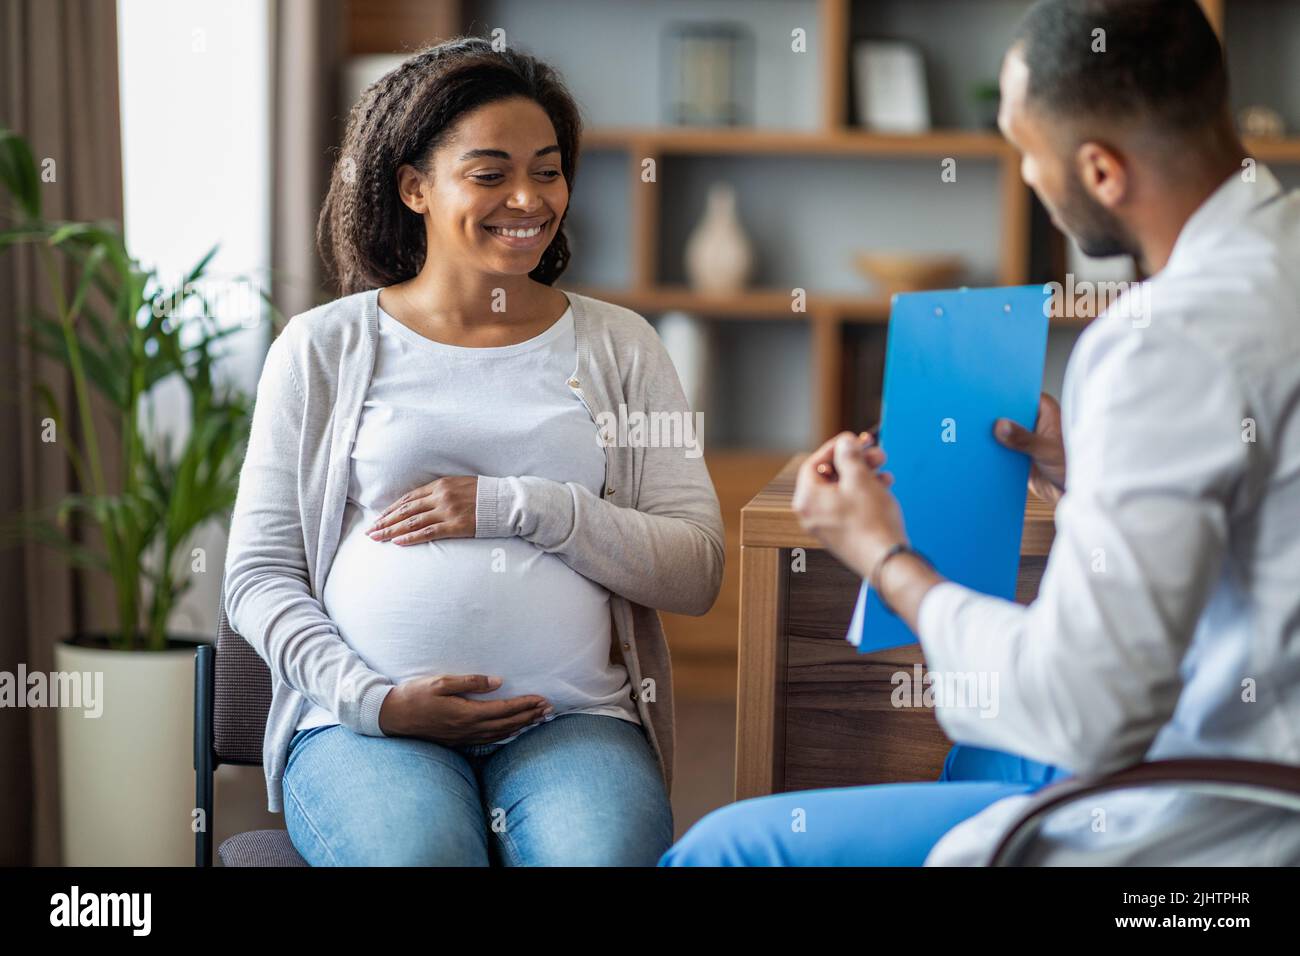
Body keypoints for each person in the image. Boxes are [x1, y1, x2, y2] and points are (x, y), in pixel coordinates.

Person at [662, 0, 1300, 866]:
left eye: (1024, 150)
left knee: (728, 849)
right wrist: (1092, 467)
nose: (1026, 176)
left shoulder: (1164, 341)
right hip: (1253, 737)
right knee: (985, 754)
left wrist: (886, 558)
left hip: (1216, 820)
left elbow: (1085, 708)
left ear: (1102, 172)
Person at [223, 37, 723, 865]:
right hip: (366, 727)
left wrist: (523, 505)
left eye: (548, 169)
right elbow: (257, 574)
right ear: (414, 186)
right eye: (489, 173)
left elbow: (695, 569)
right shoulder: (322, 348)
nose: (528, 198)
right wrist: (374, 701)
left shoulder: (620, 346)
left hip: (571, 719)